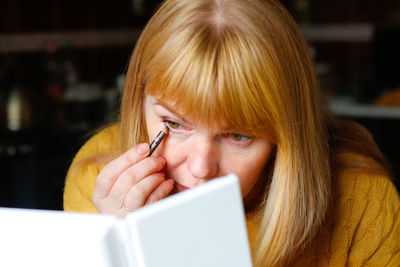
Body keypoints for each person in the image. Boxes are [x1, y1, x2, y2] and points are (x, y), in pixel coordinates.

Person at [63, 0, 400, 265]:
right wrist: (117, 245)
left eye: (239, 136)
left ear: (287, 136)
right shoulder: (99, 179)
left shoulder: (363, 202)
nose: (200, 167)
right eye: (175, 124)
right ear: (139, 96)